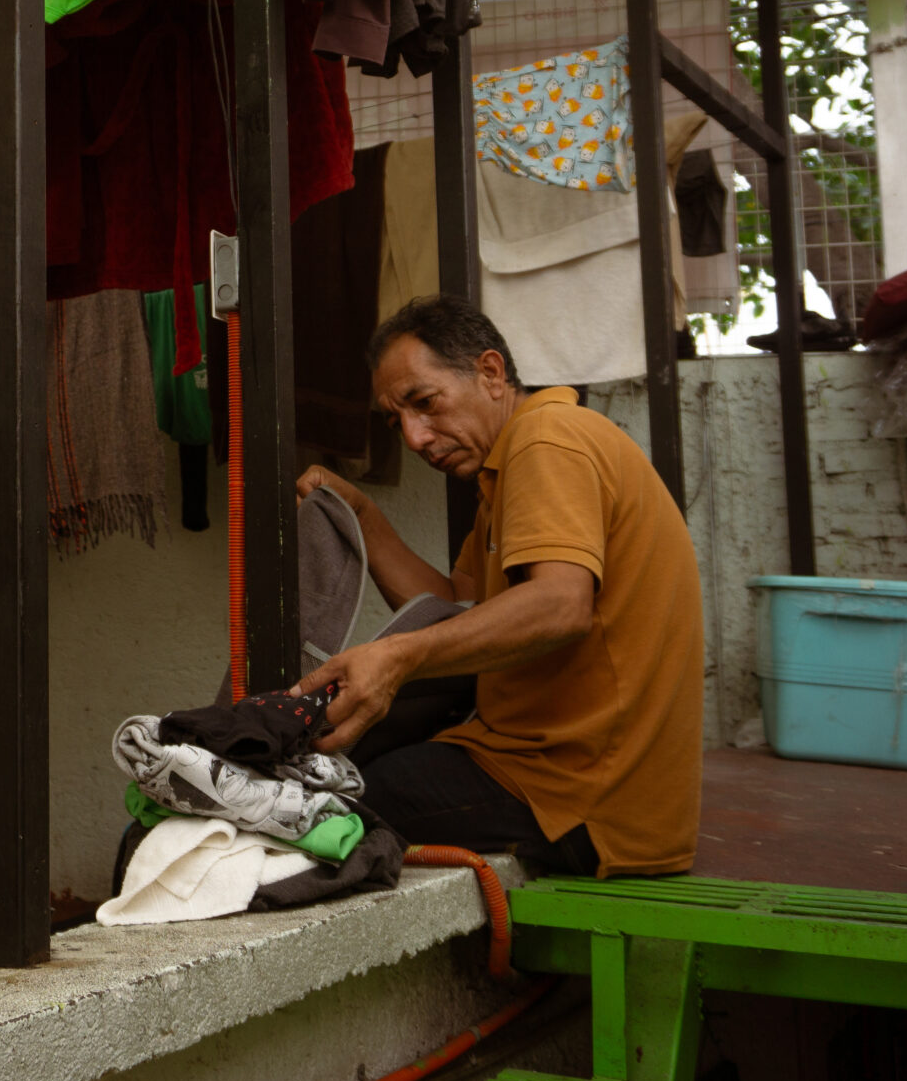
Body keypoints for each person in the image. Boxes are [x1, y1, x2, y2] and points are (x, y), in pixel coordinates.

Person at [292, 295, 703, 877]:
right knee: (334, 771)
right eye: (396, 419)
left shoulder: (547, 439)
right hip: (547, 774)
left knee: (310, 805)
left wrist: (396, 656)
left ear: (490, 372)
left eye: (424, 403)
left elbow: (560, 605)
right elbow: (454, 610)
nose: (414, 437)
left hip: (580, 798)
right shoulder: (505, 474)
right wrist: (362, 516)